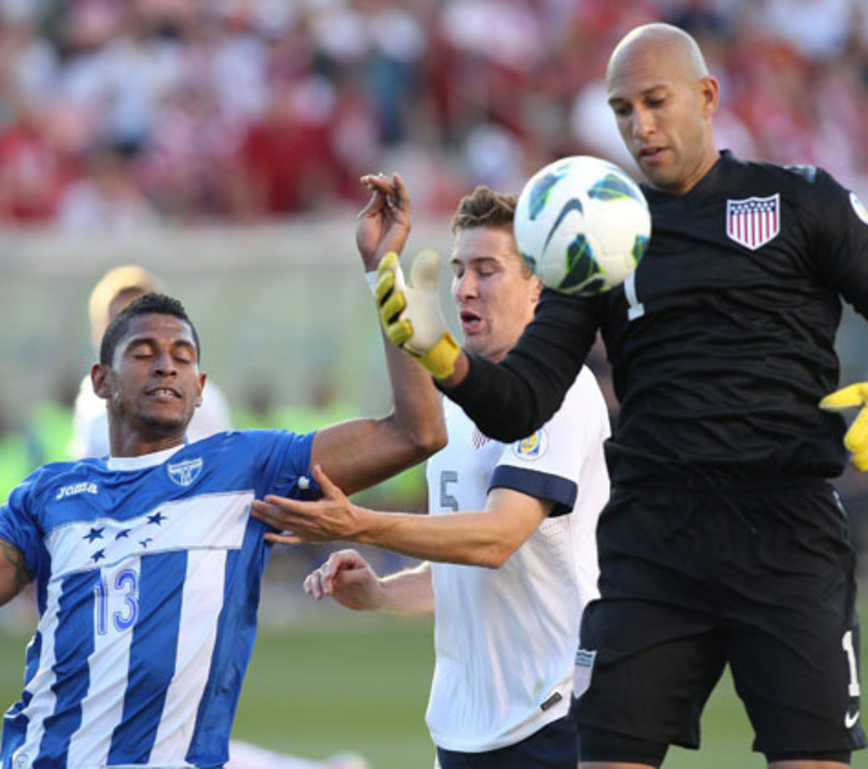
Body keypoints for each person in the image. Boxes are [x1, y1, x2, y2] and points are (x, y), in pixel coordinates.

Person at [372, 22, 868, 769]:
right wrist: (443, 358)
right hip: (654, 543)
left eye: (656, 102)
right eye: (623, 110)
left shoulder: (803, 201)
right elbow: (521, 402)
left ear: (707, 96)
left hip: (787, 533)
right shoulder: (600, 238)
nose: (640, 126)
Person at [0, 187, 445, 768]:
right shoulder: (50, 496)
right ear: (100, 380)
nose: (166, 366)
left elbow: (414, 433)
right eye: (144, 352)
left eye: (182, 356)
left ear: (200, 387)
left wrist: (382, 276)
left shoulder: (245, 467)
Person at [251, 180, 612, 769]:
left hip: (554, 717)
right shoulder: (452, 404)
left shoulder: (564, 392)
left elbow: (496, 538)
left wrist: (358, 523)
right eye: (459, 269)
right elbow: (458, 575)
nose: (465, 287)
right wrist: (380, 593)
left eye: (488, 270)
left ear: (537, 286)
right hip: (463, 728)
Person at [70, 264, 233, 459]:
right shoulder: (89, 399)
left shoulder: (195, 397)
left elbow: (222, 461)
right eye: (115, 323)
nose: (127, 334)